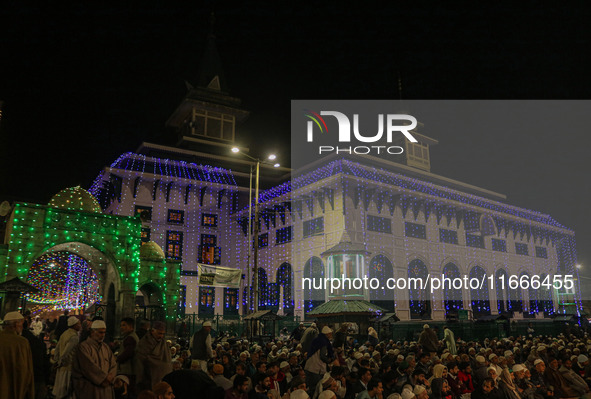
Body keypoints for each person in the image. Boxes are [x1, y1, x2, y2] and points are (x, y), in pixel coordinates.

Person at [72, 319, 118, 399]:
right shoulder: (83, 347)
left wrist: (110, 377)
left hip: (106, 388)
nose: (102, 335)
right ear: (92, 332)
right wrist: (103, 379)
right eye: (100, 332)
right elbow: (89, 367)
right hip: (91, 388)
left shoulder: (105, 347)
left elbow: (113, 364)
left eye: (104, 332)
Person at [0, 311, 35, 399]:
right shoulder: (22, 342)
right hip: (16, 387)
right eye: (21, 324)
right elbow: (25, 369)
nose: (22, 327)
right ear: (16, 325)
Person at [137, 321, 173, 391]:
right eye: (159, 333)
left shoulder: (164, 344)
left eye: (163, 334)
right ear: (153, 331)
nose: (161, 336)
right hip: (148, 378)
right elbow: (140, 360)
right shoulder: (144, 343)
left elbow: (167, 361)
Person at [53, 315, 82, 399]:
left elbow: (57, 348)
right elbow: (66, 351)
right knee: (66, 391)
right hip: (68, 366)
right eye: (78, 324)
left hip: (61, 366)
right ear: (75, 325)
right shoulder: (74, 337)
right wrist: (61, 361)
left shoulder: (64, 334)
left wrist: (56, 361)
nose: (80, 326)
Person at [305, 326, 335, 395]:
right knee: (315, 389)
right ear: (327, 334)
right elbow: (322, 356)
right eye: (330, 334)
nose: (331, 335)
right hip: (316, 369)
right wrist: (329, 361)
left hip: (310, 366)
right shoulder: (323, 342)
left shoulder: (317, 340)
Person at [117, 317, 140, 396]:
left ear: (131, 327)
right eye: (121, 325)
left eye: (124, 325)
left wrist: (117, 359)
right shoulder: (130, 337)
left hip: (128, 371)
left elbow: (128, 353)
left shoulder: (130, 338)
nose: (121, 328)